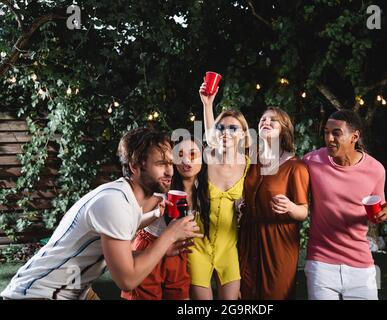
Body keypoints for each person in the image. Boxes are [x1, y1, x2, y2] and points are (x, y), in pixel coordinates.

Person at [1, 128, 202, 300]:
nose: (170, 171)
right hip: (37, 294)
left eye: (170, 163)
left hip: (72, 291)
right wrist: (169, 235)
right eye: (160, 164)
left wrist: (161, 243)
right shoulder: (114, 203)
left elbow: (119, 255)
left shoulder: (125, 198)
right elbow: (127, 280)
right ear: (134, 166)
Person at [303, 109, 387, 300]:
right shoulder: (311, 161)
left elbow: (375, 212)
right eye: (326, 132)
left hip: (361, 265)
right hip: (321, 264)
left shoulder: (376, 170)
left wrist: (380, 215)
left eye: (336, 133)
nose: (329, 138)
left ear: (354, 136)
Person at [121, 136, 208, 300]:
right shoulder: (159, 185)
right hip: (149, 245)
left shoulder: (204, 193)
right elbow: (131, 222)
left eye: (192, 154)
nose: (186, 160)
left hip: (178, 251)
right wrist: (156, 210)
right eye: (179, 154)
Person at [187, 83, 251, 300]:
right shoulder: (204, 161)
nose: (225, 133)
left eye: (233, 128)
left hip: (228, 248)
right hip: (197, 246)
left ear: (243, 134)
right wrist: (208, 104)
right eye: (221, 128)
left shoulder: (249, 167)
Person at [238, 107, 310, 300]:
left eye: (273, 120)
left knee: (275, 294)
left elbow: (303, 211)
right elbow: (217, 143)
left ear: (284, 129)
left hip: (278, 241)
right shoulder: (250, 159)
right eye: (263, 119)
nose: (266, 122)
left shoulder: (296, 166)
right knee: (245, 296)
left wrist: (290, 207)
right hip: (248, 237)